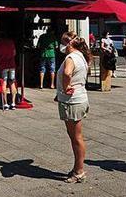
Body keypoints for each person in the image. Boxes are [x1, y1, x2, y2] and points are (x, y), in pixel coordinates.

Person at [55, 31, 91, 183]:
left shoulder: (71, 57)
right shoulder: (80, 56)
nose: (61, 46)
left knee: (76, 137)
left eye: (62, 43)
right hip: (78, 98)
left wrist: (65, 87)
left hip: (72, 101)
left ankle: (79, 171)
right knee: (75, 137)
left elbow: (67, 73)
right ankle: (77, 167)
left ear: (68, 44)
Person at [0, 30, 17, 110]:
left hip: (3, 66)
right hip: (12, 65)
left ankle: (5, 104)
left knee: (4, 83)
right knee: (12, 83)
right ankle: (13, 103)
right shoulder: (11, 42)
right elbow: (14, 53)